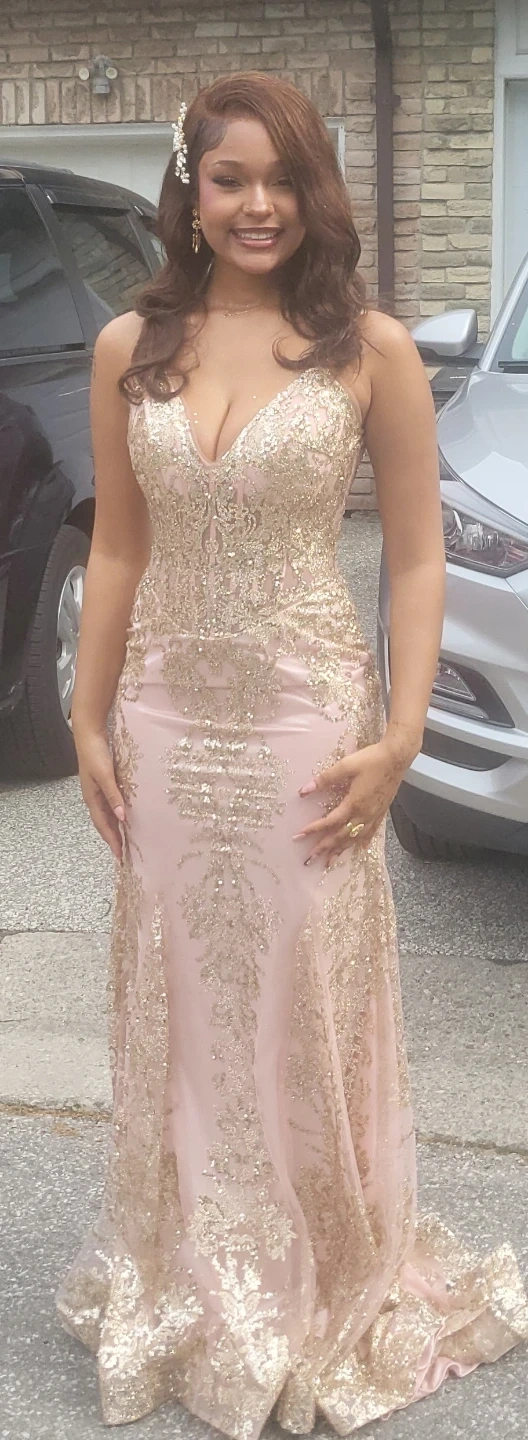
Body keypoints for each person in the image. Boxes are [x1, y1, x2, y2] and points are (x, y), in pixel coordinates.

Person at [55, 73, 527, 1438]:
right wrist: (86, 718)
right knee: (182, 1000)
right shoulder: (128, 345)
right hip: (163, 716)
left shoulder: (368, 349)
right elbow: (120, 547)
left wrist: (401, 734)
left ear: (315, 192)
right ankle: (191, 1275)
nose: (257, 205)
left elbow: (421, 559)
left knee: (304, 1000)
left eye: (282, 179)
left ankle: (318, 1275)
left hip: (304, 720)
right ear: (190, 191)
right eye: (229, 179)